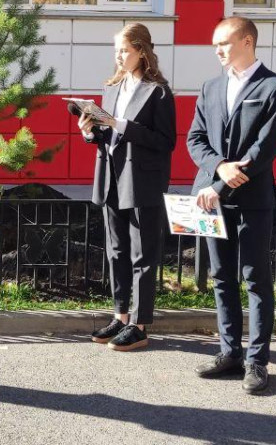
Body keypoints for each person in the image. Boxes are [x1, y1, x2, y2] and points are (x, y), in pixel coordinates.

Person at [186, 16, 276, 394]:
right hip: (211, 200)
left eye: (224, 43)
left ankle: (257, 361)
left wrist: (221, 184)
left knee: (255, 279)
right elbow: (195, 139)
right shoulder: (211, 87)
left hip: (251, 201)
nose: (217, 50)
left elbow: (263, 150)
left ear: (247, 41)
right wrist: (218, 168)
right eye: (215, 44)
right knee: (221, 277)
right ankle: (229, 352)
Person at [78, 23, 176, 351]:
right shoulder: (113, 88)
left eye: (124, 50)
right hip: (111, 178)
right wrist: (90, 131)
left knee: (142, 255)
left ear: (141, 51)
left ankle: (139, 324)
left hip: (142, 181)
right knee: (116, 251)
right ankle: (120, 317)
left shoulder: (158, 92)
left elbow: (165, 141)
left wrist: (119, 124)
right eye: (116, 51)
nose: (118, 56)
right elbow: (109, 137)